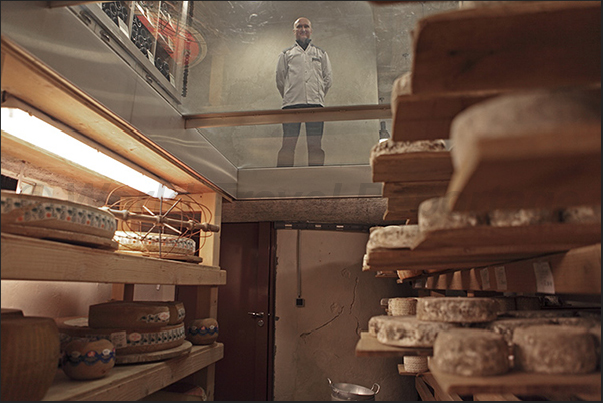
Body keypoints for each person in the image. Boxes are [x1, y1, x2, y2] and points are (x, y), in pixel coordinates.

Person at [275, 17, 332, 167]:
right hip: (291, 106)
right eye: (299, 27)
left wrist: (316, 94)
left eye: (306, 26)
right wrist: (290, 94)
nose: (303, 29)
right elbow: (280, 80)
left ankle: (316, 178)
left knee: (315, 146)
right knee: (288, 145)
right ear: (294, 31)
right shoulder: (286, 54)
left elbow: (328, 79)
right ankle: (282, 178)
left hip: (315, 106)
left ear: (311, 30)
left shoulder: (321, 53)